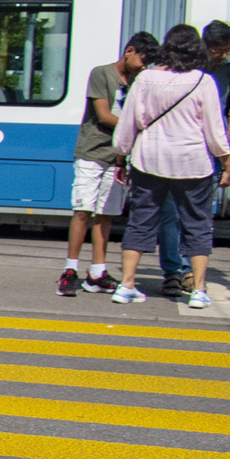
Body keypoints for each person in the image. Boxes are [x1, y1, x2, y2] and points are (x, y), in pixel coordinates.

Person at [111, 24, 230, 310]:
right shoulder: (203, 81)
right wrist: (227, 163)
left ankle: (127, 284)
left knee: (141, 221)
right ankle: (199, 290)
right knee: (198, 225)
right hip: (193, 165)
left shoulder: (145, 79)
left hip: (148, 161)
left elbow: (128, 124)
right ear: (197, 50)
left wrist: (121, 157)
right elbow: (215, 132)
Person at [63, 31, 153, 296]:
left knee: (106, 215)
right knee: (83, 211)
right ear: (129, 51)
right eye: (143, 60)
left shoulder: (140, 80)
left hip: (118, 157)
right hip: (92, 152)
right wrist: (138, 128)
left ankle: (97, 272)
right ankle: (70, 269)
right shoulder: (102, 74)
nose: (144, 66)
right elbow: (103, 115)